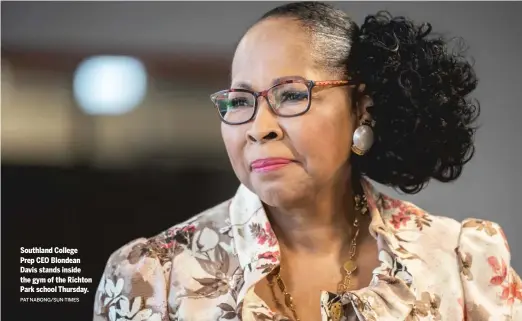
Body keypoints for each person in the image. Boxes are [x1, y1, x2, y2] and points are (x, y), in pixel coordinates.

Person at [93, 2, 521, 321]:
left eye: (292, 95)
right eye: (240, 101)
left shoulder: (459, 262)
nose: (259, 127)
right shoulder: (153, 278)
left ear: (362, 109)